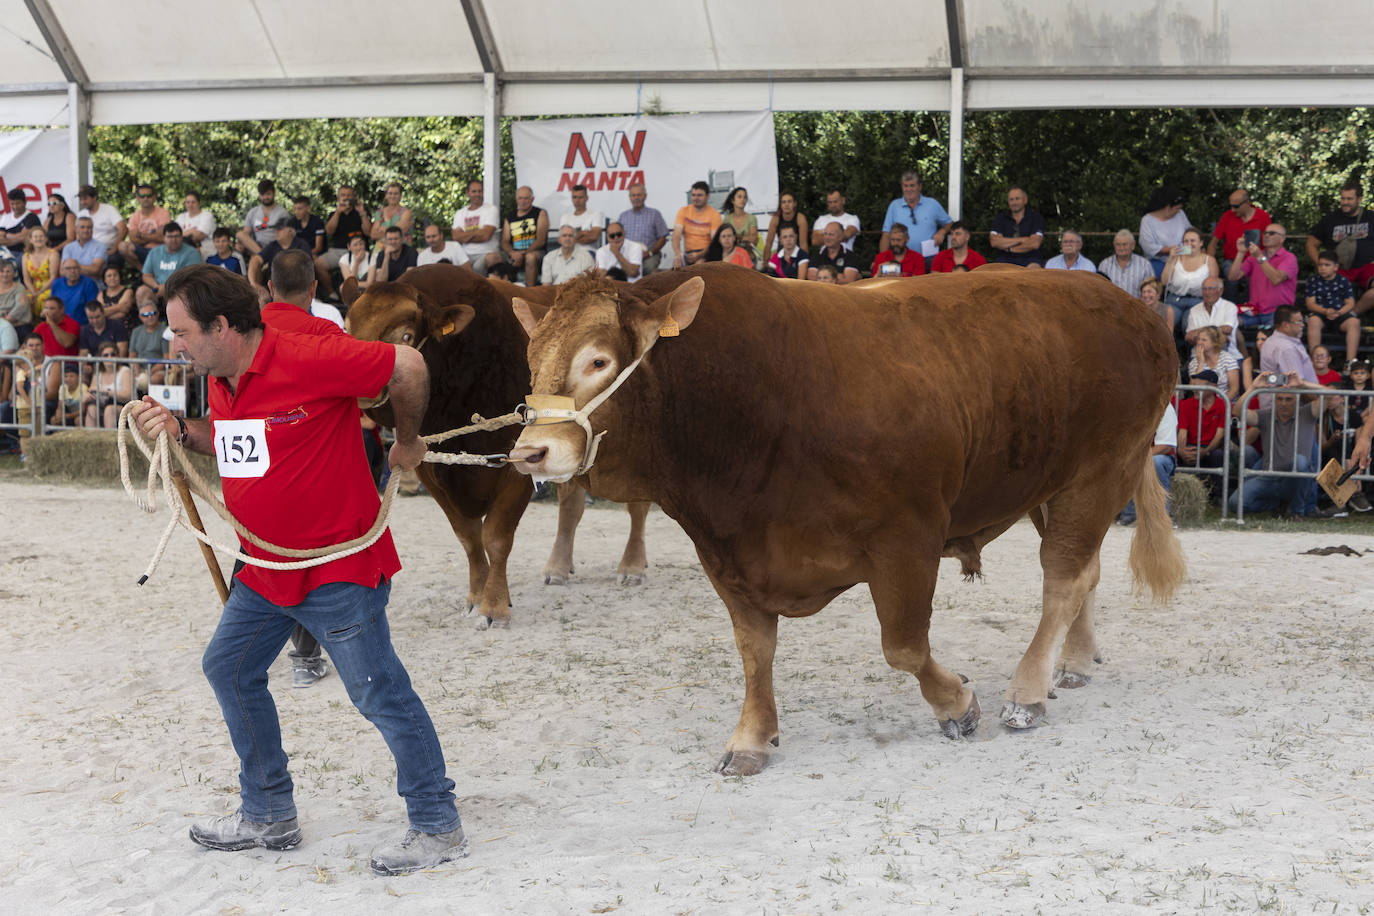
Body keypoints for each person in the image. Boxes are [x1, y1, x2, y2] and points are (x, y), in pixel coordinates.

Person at [127, 263, 465, 875]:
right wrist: (180, 429)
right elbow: (241, 439)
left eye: (180, 332)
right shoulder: (226, 366)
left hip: (335, 567)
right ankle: (268, 813)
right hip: (265, 565)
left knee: (378, 693)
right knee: (228, 668)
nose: (172, 344)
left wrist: (407, 440)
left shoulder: (305, 352)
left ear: (222, 326)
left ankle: (437, 824)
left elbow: (407, 366)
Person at [262, 248, 356, 685]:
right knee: (315, 560)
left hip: (259, 469)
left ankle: (284, 652)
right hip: (311, 461)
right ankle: (311, 654)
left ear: (269, 287)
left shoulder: (244, 333)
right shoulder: (326, 331)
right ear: (314, 288)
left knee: (264, 554)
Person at [1231, 375, 1324, 517]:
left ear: (1297, 400)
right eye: (1279, 399)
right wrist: (1253, 387)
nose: (1284, 403)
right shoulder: (1266, 415)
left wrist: (1302, 384)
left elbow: (1332, 395)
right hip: (1269, 477)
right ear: (1274, 400)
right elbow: (1237, 412)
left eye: (1288, 399)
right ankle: (1277, 505)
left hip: (1295, 478)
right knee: (1235, 503)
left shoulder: (1307, 413)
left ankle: (1295, 511)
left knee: (1300, 461)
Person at [1307, 180, 1374, 316]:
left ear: (1359, 199)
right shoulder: (1330, 219)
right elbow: (1311, 244)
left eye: (1349, 199)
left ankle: (1351, 314)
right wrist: (1322, 265)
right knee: (1326, 294)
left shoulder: (1371, 217)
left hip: (1366, 267)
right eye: (1343, 198)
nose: (1345, 202)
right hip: (1338, 268)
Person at [1117, 400, 1179, 525]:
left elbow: (1165, 446)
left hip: (1161, 456)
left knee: (1156, 463)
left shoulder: (1165, 409)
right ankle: (1129, 514)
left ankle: (1161, 515)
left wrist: (1136, 457)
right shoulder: (1130, 408)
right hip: (1137, 455)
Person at [1228, 223, 1298, 328]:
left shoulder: (1289, 258)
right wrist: (1241, 253)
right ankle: (1241, 345)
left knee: (1270, 337)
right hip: (1254, 312)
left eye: (1272, 233)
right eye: (1265, 233)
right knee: (1226, 324)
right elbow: (1233, 277)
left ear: (1282, 238)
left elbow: (1276, 279)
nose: (1266, 235)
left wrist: (1260, 257)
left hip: (1278, 313)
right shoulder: (1254, 257)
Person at [1209, 188, 1270, 299]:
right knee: (1231, 277)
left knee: (1254, 279)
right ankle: (1229, 308)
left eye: (1236, 206)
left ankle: (1250, 308)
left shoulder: (1263, 217)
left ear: (1247, 203)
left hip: (1255, 260)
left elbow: (1270, 243)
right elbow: (1213, 243)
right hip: (1231, 260)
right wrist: (1209, 265)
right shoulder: (1227, 216)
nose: (1232, 210)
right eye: (1231, 206)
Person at [1160, 226, 1219, 334]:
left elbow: (1215, 287)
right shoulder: (1176, 258)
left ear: (1201, 243)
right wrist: (1170, 259)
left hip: (1198, 301)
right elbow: (1164, 281)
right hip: (1175, 300)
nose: (1189, 244)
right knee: (1165, 326)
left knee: (1188, 326)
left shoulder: (1209, 260)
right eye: (1186, 241)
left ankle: (1189, 351)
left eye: (1193, 241)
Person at [1305, 249, 1359, 361]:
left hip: (1339, 315)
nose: (1322, 268)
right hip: (1320, 314)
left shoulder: (1343, 281)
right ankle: (1315, 360)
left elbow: (1350, 303)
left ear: (1336, 267)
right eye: (1320, 265)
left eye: (1327, 265)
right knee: (1313, 321)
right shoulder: (1313, 280)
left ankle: (1350, 362)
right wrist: (1325, 311)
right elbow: (1310, 303)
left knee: (1354, 322)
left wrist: (1339, 312)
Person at [880, 171, 950, 254]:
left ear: (919, 187)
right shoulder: (894, 206)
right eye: (905, 186)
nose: (908, 189)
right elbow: (886, 234)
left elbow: (949, 223)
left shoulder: (932, 204)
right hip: (901, 257)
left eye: (912, 186)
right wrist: (882, 259)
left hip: (928, 257)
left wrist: (942, 232)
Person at [1176, 369, 1227, 480]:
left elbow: (1219, 435)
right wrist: (1181, 451)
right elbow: (1182, 432)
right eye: (1194, 385)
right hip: (1191, 447)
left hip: (1211, 449)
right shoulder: (1187, 404)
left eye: (1199, 385)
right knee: (1184, 457)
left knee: (1218, 455)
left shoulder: (1222, 405)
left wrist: (1205, 451)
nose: (1195, 389)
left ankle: (1218, 494)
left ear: (1212, 386)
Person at [450, 180, 500, 277]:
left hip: (486, 253)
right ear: (467, 193)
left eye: (480, 191)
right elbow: (456, 237)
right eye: (474, 191)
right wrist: (477, 232)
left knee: (479, 266)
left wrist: (465, 235)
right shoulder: (460, 213)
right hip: (465, 255)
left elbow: (486, 235)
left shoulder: (491, 209)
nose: (477, 194)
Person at [617, 183, 669, 275]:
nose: (636, 198)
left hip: (649, 256)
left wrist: (649, 253)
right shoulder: (623, 216)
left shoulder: (654, 214)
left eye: (639, 195)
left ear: (645, 196)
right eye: (633, 195)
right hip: (628, 256)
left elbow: (663, 238)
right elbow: (617, 238)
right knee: (617, 272)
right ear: (630, 197)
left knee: (649, 270)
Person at [247, 219, 312, 293]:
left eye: (280, 229)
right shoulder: (272, 245)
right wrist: (253, 283)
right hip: (273, 288)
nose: (276, 232)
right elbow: (255, 260)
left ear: (290, 231)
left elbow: (306, 269)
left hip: (296, 289)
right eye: (275, 229)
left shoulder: (302, 245)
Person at [500, 186, 547, 286]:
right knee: (492, 257)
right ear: (516, 199)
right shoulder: (510, 216)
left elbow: (541, 240)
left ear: (532, 199)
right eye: (520, 198)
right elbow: (504, 241)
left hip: (536, 252)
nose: (523, 201)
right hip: (514, 254)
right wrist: (513, 253)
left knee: (530, 257)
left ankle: (530, 293)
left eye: (526, 198)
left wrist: (523, 254)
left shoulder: (540, 213)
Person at [322, 185, 372, 278]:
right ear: (338, 198)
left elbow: (369, 232)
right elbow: (329, 231)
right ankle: (331, 292)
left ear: (354, 197)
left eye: (349, 195)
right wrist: (338, 212)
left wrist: (362, 213)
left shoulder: (362, 212)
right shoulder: (334, 214)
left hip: (359, 250)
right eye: (343, 195)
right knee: (318, 265)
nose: (346, 198)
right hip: (337, 251)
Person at [988, 186, 1045, 267]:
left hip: (1030, 258)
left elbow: (1035, 244)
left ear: (1025, 200)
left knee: (1034, 270)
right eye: (1011, 199)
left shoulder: (1036, 218)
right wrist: (1024, 239)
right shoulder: (1000, 218)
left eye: (1017, 198)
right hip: (1004, 258)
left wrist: (1009, 248)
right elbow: (994, 242)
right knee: (996, 271)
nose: (1014, 202)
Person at [1139, 186, 1189, 277]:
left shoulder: (1180, 214)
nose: (1179, 211)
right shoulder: (1147, 221)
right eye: (1177, 208)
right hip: (1158, 262)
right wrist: (1172, 250)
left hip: (1184, 256)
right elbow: (1148, 247)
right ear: (1167, 207)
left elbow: (1190, 233)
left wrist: (1193, 248)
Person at [1184, 278, 1240, 358]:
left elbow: (1227, 329)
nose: (1207, 292)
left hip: (1227, 356)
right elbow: (1189, 337)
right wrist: (1217, 333)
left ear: (1220, 291)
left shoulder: (1230, 307)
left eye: (1211, 289)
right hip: (1199, 357)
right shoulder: (1194, 310)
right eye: (1204, 289)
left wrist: (1199, 334)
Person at [143, 222, 204, 296]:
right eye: (170, 236)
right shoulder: (154, 252)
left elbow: (193, 278)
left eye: (177, 236)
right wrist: (156, 286)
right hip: (157, 289)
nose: (173, 240)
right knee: (142, 292)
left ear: (182, 237)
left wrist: (167, 288)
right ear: (164, 238)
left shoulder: (192, 253)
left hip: (182, 291)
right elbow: (146, 275)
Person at [118, 184, 171, 267]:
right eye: (142, 196)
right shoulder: (134, 216)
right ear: (138, 198)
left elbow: (163, 237)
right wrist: (154, 236)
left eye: (149, 195)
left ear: (154, 197)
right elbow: (133, 239)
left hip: (161, 250)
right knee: (122, 246)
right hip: (142, 250)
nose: (145, 198)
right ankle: (143, 271)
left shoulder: (163, 213)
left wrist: (141, 235)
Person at [83, 340, 132, 429]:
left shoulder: (125, 371)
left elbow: (128, 395)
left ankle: (110, 441)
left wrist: (107, 391)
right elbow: (92, 390)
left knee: (109, 409)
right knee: (91, 409)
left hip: (125, 407)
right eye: (106, 355)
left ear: (117, 355)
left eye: (113, 354)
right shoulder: (98, 373)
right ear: (101, 358)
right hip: (103, 405)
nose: (109, 357)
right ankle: (90, 440)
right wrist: (87, 395)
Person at [75, 185, 127, 268]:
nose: (83, 202)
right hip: (87, 251)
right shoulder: (81, 214)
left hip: (108, 250)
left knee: (113, 259)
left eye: (85, 199)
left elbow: (123, 229)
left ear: (94, 197)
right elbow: (77, 236)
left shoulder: (109, 209)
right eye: (81, 199)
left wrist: (114, 249)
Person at [673, 181, 721, 267]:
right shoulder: (683, 211)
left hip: (706, 254)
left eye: (700, 195)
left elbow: (714, 242)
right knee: (676, 267)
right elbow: (676, 235)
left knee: (698, 267)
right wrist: (678, 254)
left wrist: (699, 255)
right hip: (687, 254)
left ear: (708, 196)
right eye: (693, 195)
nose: (696, 198)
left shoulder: (714, 214)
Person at [237, 179, 288, 258]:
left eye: (268, 194)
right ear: (259, 195)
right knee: (239, 234)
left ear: (274, 193)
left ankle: (263, 257)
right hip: (256, 246)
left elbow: (284, 237)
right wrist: (240, 244)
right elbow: (245, 233)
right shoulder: (253, 212)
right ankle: (263, 257)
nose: (265, 197)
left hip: (275, 247)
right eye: (262, 195)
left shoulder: (282, 213)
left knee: (255, 258)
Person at [1187, 326, 1240, 400]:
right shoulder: (1195, 362)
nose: (1199, 342)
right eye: (1198, 339)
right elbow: (1194, 388)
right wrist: (1200, 363)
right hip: (1202, 404)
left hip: (1225, 403)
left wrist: (1219, 405)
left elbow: (1234, 390)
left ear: (1215, 342)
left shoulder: (1228, 359)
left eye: (1204, 340)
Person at [1099, 229, 1156, 295]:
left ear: (1133, 245)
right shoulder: (1105, 265)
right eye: (1118, 244)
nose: (1121, 248)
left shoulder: (1145, 265)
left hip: (1136, 304)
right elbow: (1100, 291)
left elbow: (1152, 290)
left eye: (1125, 244)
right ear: (1114, 245)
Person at [129, 294, 169, 386]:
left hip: (158, 370)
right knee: (126, 378)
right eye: (145, 315)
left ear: (158, 314)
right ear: (140, 317)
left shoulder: (164, 331)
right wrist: (137, 371)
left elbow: (166, 358)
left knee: (154, 379)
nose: (150, 317)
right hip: (139, 369)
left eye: (153, 313)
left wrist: (149, 372)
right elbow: (132, 355)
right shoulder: (136, 331)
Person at [22, 226, 59, 319]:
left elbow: (53, 277)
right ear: (30, 240)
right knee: (24, 300)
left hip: (48, 287)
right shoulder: (25, 256)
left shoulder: (53, 254)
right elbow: (26, 279)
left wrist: (39, 293)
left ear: (46, 238)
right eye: (35, 237)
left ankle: (46, 326)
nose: (38, 239)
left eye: (41, 236)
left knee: (42, 299)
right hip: (32, 288)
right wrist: (33, 292)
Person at [49, 257, 98, 325]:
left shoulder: (89, 284)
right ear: (63, 271)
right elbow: (51, 305)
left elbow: (93, 308)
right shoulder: (57, 283)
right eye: (68, 268)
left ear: (80, 269)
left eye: (75, 268)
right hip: (59, 324)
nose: (72, 271)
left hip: (81, 325)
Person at [761, 189, 807, 259]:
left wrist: (804, 262)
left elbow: (803, 244)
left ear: (794, 204)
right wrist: (765, 262)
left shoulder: (800, 218)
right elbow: (769, 243)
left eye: (789, 201)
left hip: (797, 255)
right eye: (783, 202)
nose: (786, 204)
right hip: (781, 255)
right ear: (780, 205)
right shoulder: (776, 219)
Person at [810, 189, 859, 253]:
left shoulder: (852, 219)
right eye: (830, 202)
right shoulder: (821, 219)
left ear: (843, 200)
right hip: (823, 258)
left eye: (835, 201)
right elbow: (815, 241)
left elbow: (847, 235)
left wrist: (823, 236)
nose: (832, 205)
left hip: (845, 257)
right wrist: (838, 236)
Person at [717, 187, 758, 262]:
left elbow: (754, 240)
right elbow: (724, 239)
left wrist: (736, 237)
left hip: (748, 256)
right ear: (732, 200)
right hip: (731, 255)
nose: (742, 199)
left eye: (745, 197)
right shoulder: (727, 218)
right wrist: (745, 238)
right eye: (739, 197)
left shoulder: (751, 218)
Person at [61, 216, 107, 282]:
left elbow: (95, 270)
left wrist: (70, 268)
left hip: (94, 286)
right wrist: (89, 270)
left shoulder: (100, 246)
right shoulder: (68, 247)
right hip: (73, 286)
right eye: (82, 227)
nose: (86, 230)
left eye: (89, 227)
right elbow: (62, 271)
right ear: (76, 229)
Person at [559, 184, 605, 249]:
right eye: (575, 197)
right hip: (569, 252)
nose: (577, 201)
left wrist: (571, 237)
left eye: (580, 197)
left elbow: (594, 237)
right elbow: (562, 239)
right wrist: (582, 233)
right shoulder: (565, 217)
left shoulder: (596, 214)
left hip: (589, 253)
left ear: (587, 198)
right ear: (571, 199)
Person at [2, 188, 43, 260]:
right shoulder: (5, 217)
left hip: (24, 252)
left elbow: (24, 238)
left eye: (18, 203)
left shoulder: (32, 218)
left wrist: (6, 235)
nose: (15, 207)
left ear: (25, 202)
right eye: (12, 204)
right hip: (5, 252)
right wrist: (17, 237)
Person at [175, 191, 218, 258]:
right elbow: (174, 235)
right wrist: (191, 231)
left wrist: (183, 234)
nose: (190, 205)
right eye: (188, 202)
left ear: (199, 203)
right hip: (184, 253)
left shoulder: (206, 215)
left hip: (207, 253)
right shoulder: (181, 217)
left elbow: (199, 236)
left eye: (193, 202)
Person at [0, 259, 30, 339]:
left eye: (8, 271)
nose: (5, 274)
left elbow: (21, 306)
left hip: (18, 326)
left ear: (14, 273)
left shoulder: (19, 288)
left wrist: (6, 319)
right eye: (2, 271)